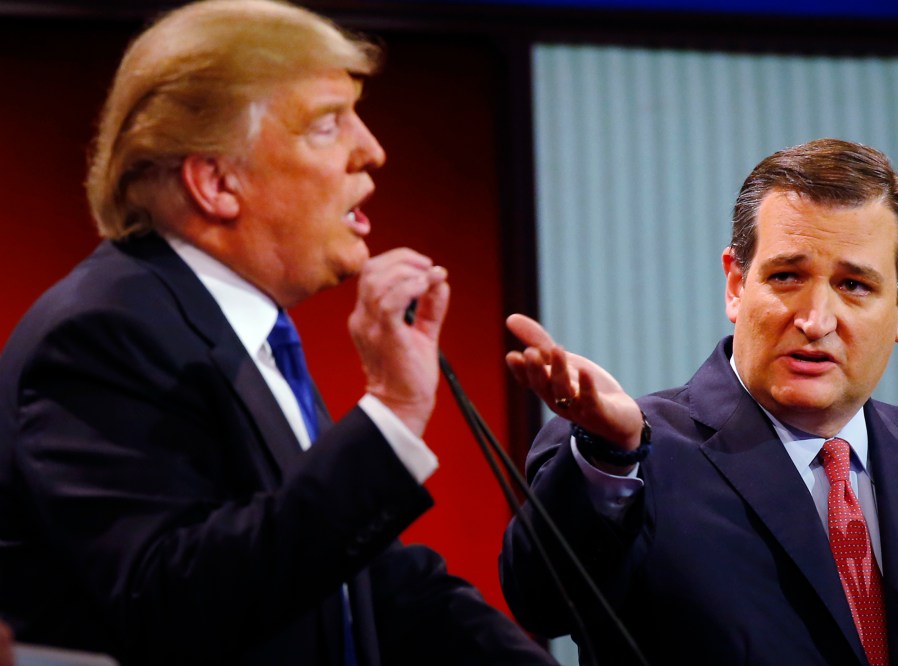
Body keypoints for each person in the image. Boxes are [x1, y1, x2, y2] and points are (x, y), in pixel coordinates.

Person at [0, 1, 554, 664]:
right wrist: (392, 413)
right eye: (327, 124)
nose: (371, 150)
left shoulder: (237, 331)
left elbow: (367, 587)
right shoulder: (104, 334)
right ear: (216, 182)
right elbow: (173, 603)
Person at [501, 138, 898, 665]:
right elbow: (542, 604)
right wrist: (610, 455)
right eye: (787, 277)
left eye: (854, 285)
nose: (815, 320)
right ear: (737, 284)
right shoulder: (631, 452)